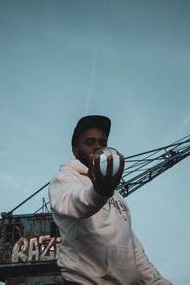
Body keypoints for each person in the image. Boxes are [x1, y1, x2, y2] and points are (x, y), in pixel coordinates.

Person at [49, 115, 172, 285]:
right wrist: (99, 191)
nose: (98, 146)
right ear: (76, 151)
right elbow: (75, 203)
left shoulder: (117, 196)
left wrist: (158, 282)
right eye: (90, 142)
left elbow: (133, 249)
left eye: (103, 142)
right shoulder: (65, 178)